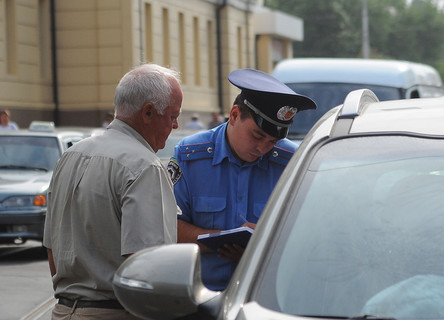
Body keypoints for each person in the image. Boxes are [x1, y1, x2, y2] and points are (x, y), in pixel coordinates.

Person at [43, 63, 183, 319]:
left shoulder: (70, 156)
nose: (175, 125)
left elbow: (52, 250)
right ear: (148, 113)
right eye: (173, 116)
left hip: (63, 311)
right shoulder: (145, 166)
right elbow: (148, 268)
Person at [168, 68, 316, 291]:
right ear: (235, 115)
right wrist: (225, 240)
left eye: (272, 142)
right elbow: (168, 228)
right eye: (257, 136)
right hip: (202, 297)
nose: (262, 148)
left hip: (265, 298)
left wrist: (262, 247)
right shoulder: (190, 156)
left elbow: (308, 235)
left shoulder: (291, 161)